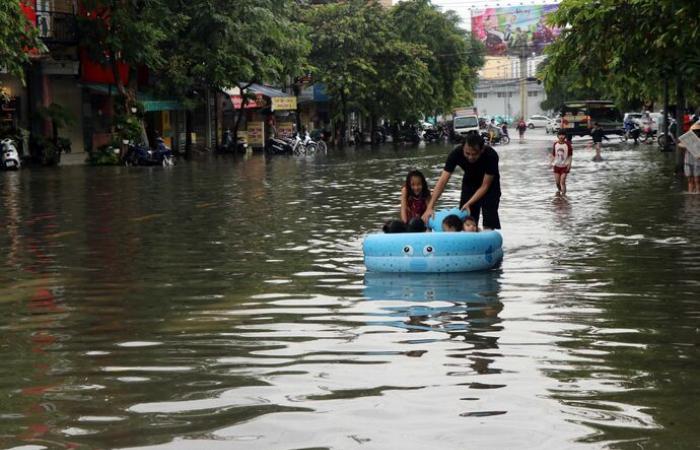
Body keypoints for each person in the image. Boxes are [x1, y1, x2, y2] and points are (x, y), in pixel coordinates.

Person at [422, 132, 501, 230]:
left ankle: (487, 234)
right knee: (467, 218)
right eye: (467, 153)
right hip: (470, 182)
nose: (470, 157)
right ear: (463, 148)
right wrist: (430, 207)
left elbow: (485, 186)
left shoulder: (491, 155)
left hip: (490, 186)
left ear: (482, 150)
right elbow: (442, 181)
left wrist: (469, 202)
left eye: (474, 154)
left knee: (489, 217)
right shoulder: (456, 153)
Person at [678, 121, 700, 193]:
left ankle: (697, 192)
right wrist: (688, 145)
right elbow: (680, 144)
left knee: (697, 179)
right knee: (690, 179)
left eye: (697, 131)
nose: (696, 132)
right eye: (695, 131)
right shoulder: (689, 138)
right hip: (688, 160)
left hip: (697, 161)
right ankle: (690, 193)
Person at [550, 130, 573, 194]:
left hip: (565, 166)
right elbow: (553, 155)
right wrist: (551, 162)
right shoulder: (555, 144)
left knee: (562, 181)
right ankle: (560, 192)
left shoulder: (568, 145)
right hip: (556, 166)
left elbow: (570, 156)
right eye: (560, 135)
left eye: (563, 135)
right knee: (557, 183)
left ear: (565, 136)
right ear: (558, 136)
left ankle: (564, 196)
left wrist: (569, 165)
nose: (561, 136)